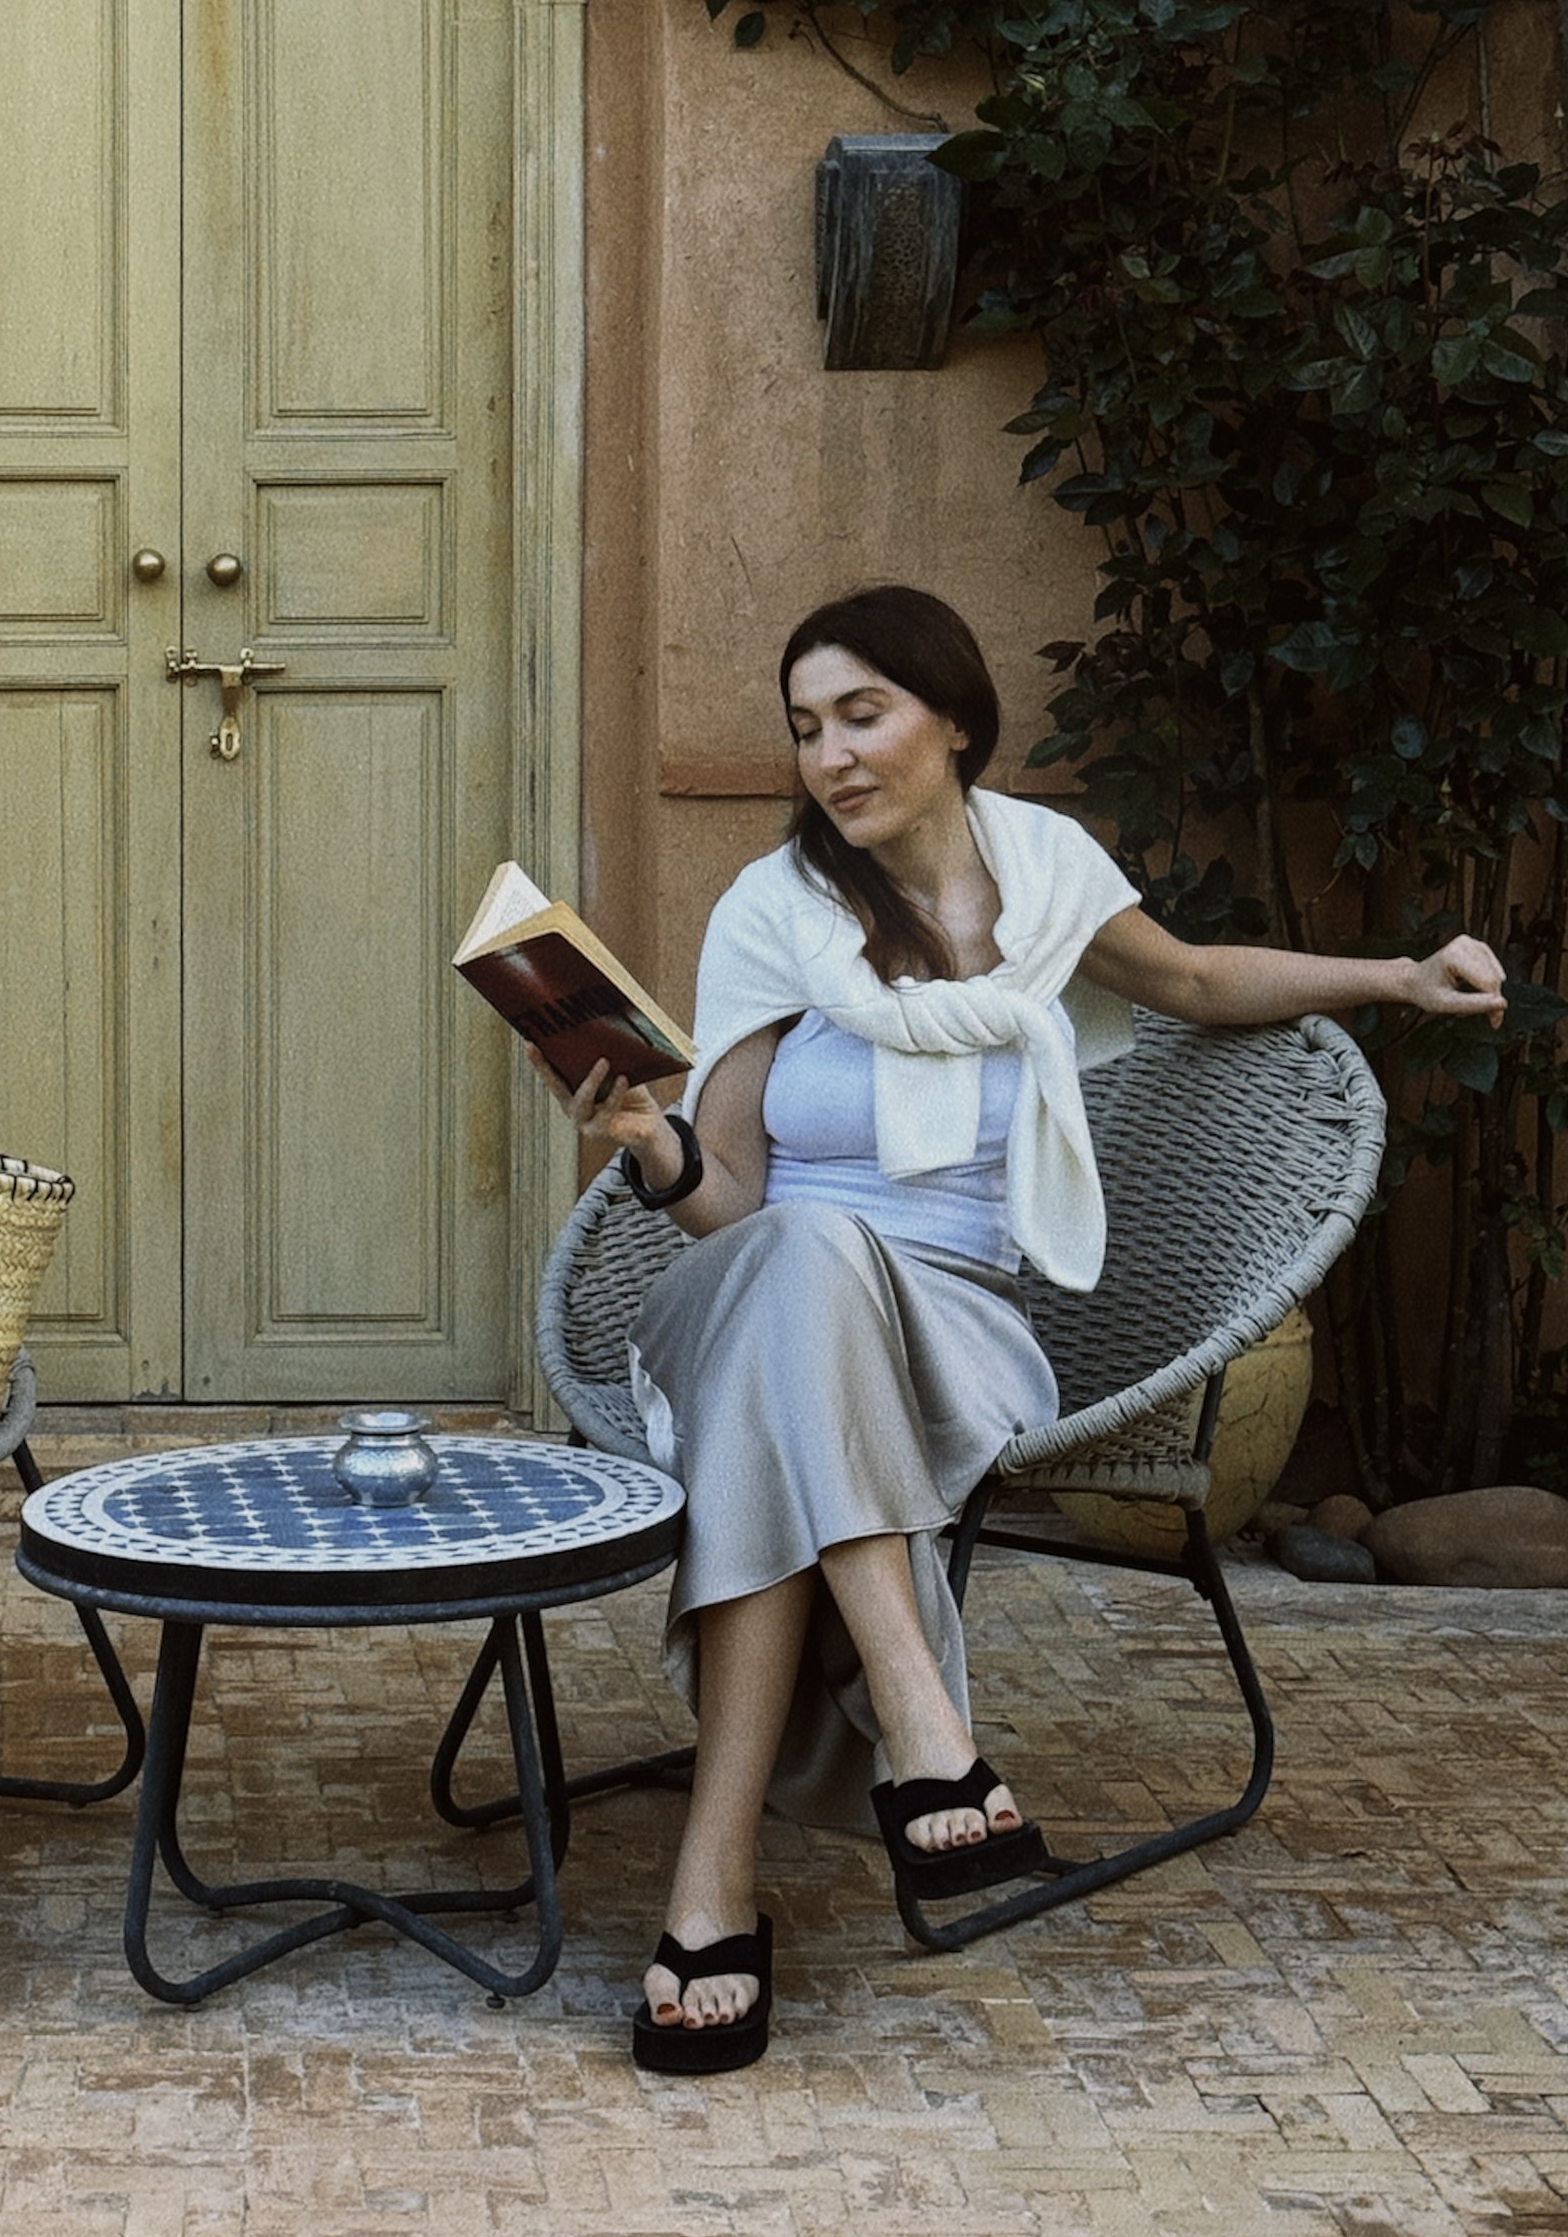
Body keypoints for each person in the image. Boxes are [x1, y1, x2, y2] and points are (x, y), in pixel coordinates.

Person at [537, 586, 1506, 2077]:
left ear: (957, 721)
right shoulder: (773, 915)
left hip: (961, 1328)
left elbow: (1188, 978)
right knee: (803, 1252)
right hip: (750, 1293)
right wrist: (646, 1143)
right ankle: (923, 1721)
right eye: (806, 727)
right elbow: (729, 1200)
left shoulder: (1044, 870)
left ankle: (711, 1890)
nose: (831, 756)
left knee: (783, 1420)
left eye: (863, 714)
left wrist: (1394, 976)